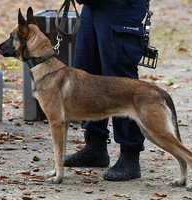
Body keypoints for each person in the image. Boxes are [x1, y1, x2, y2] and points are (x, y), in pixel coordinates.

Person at [64, 0, 147, 181]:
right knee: (87, 77)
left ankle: (130, 155)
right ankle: (95, 146)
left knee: (120, 81)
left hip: (121, 7)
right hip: (91, 6)